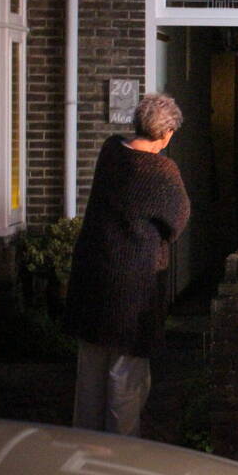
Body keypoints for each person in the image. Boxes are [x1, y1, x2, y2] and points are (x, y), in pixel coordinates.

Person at [64, 93, 190, 436]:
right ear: (166, 134)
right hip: (133, 283)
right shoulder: (161, 170)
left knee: (90, 373)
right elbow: (177, 221)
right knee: (126, 379)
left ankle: (83, 450)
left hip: (93, 273)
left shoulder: (111, 150)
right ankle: (118, 458)